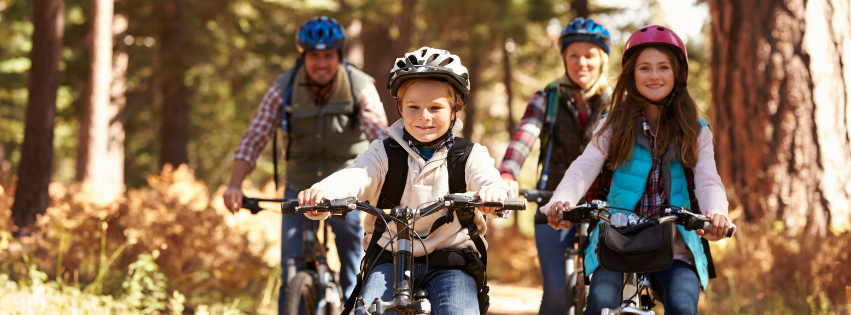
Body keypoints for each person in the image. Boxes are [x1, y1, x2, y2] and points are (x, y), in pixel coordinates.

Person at [298, 47, 510, 315]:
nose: (424, 116)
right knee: (366, 311)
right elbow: (357, 174)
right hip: (388, 260)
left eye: (436, 107)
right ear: (400, 107)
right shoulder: (383, 152)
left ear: (455, 109)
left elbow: (487, 178)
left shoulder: (468, 156)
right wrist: (323, 191)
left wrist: (493, 192)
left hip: (452, 262)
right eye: (413, 107)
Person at [543, 25, 737, 315]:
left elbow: (708, 180)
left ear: (678, 74)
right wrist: (562, 200)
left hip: (675, 247)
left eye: (663, 68)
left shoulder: (696, 130)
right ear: (632, 75)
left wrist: (716, 213)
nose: (654, 76)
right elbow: (584, 167)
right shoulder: (613, 123)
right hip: (615, 245)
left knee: (683, 307)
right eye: (644, 68)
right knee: (599, 304)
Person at [221, 16, 388, 313]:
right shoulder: (283, 87)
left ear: (339, 56)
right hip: (299, 186)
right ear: (303, 57)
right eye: (314, 56)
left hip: (346, 186)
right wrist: (235, 184)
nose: (321, 63)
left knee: (355, 263)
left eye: (328, 56)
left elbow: (380, 138)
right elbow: (255, 136)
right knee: (290, 273)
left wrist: (388, 186)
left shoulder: (359, 86)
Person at [497, 17, 611, 315]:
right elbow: (525, 136)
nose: (581, 62)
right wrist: (508, 172)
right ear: (564, 58)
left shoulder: (617, 102)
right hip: (552, 201)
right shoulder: (547, 97)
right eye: (573, 55)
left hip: (605, 207)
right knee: (555, 295)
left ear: (602, 59)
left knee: (605, 295)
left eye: (589, 55)